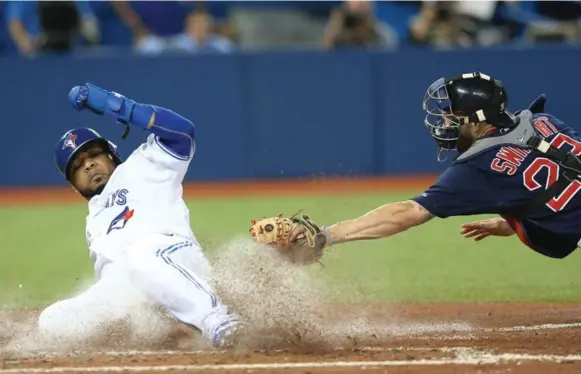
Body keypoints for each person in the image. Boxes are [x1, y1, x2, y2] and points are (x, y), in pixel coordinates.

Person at [252, 72, 581, 262]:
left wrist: (326, 235)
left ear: (477, 121)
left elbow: (405, 213)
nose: (445, 122)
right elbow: (561, 177)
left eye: (452, 116)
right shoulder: (543, 120)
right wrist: (517, 217)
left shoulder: (478, 167)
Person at [39, 83, 242, 348]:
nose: (88, 164)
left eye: (93, 154)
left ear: (111, 153)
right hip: (131, 290)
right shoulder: (93, 220)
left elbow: (183, 133)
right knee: (51, 320)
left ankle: (217, 318)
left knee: (140, 256)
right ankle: (162, 329)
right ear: (74, 185)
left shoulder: (143, 163)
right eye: (77, 166)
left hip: (171, 258)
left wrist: (121, 107)